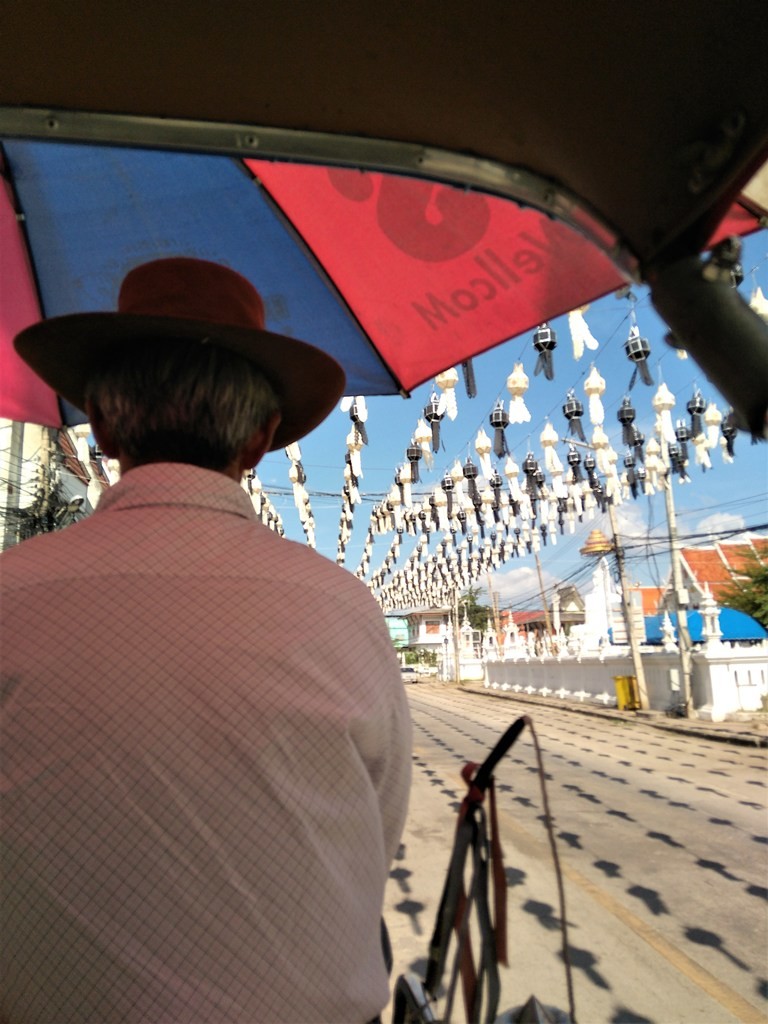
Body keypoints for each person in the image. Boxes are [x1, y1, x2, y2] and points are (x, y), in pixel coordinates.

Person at [0, 258, 412, 1023]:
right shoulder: (344, 608)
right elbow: (375, 835)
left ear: (105, 424)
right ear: (260, 441)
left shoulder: (6, 593)